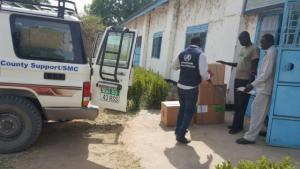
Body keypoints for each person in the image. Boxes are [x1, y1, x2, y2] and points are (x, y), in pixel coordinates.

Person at [236, 34, 277, 144]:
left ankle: (250, 137)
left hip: (264, 88)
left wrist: (252, 85)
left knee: (257, 111)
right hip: (262, 87)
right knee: (262, 112)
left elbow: (266, 74)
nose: (261, 44)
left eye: (263, 42)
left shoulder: (271, 53)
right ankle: (267, 131)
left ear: (269, 41)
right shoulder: (269, 52)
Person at [217, 31, 259, 134]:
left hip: (245, 80)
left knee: (241, 104)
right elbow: (239, 64)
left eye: (241, 40)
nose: (240, 42)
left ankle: (236, 127)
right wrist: (225, 63)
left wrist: (250, 83)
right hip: (238, 79)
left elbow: (254, 68)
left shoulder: (254, 49)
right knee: (237, 104)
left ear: (247, 38)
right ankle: (238, 124)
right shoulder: (243, 49)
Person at [172, 37, 212, 144]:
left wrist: (185, 67)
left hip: (180, 86)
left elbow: (174, 67)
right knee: (189, 111)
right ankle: (180, 135)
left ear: (191, 43)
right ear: (199, 44)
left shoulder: (182, 52)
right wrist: (208, 77)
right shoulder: (201, 54)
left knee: (183, 108)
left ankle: (177, 130)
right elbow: (203, 74)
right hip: (191, 88)